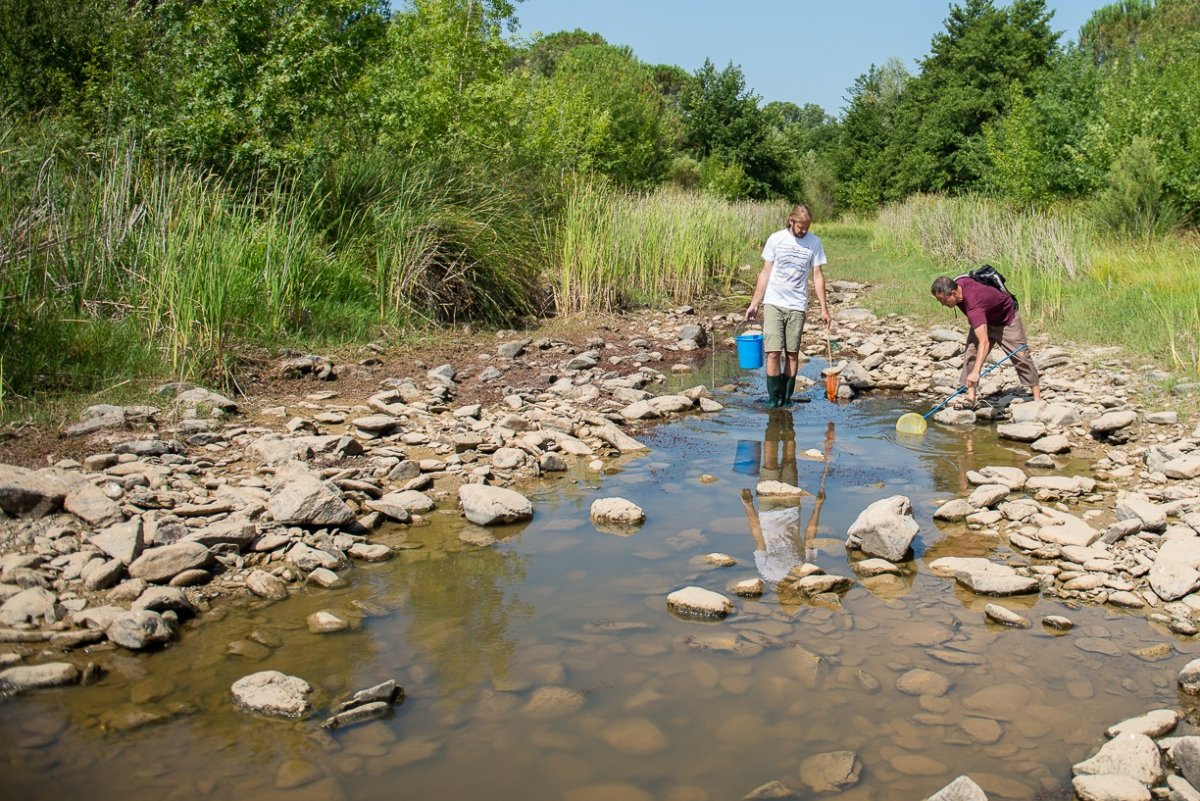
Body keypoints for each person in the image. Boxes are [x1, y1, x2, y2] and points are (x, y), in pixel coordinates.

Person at [745, 204, 831, 408]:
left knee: (792, 353)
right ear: (791, 221)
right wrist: (754, 303)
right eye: (800, 226)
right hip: (774, 302)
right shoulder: (776, 239)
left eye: (807, 227)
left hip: (797, 304)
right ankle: (775, 402)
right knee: (773, 352)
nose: (803, 231)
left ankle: (787, 400)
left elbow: (818, 276)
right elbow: (765, 272)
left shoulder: (814, 243)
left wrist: (824, 308)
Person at [930, 274, 1041, 409]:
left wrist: (976, 372)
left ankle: (1037, 400)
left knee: (1021, 356)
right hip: (983, 319)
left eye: (944, 301)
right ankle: (971, 398)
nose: (943, 304)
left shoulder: (974, 306)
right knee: (971, 353)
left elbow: (985, 342)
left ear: (954, 293)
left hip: (1006, 321)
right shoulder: (959, 283)